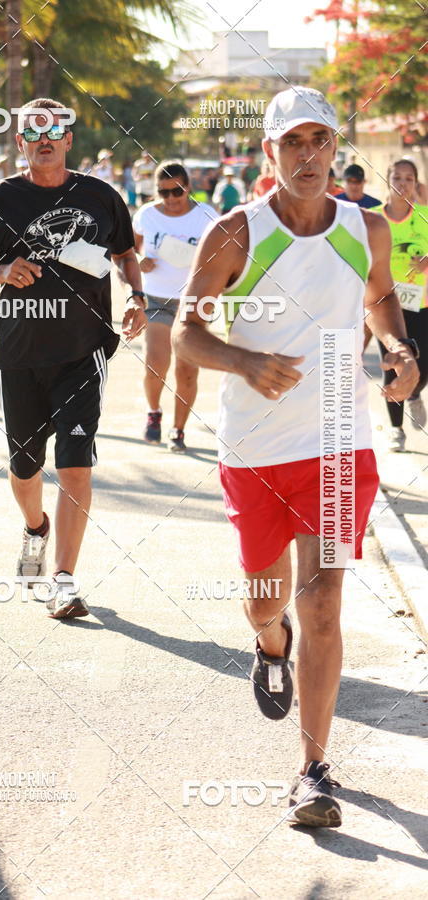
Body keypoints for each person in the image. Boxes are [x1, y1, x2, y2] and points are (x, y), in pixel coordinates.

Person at [172, 86, 419, 828]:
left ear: (335, 147)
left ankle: (313, 770)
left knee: (325, 601)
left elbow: (380, 299)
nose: (309, 156)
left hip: (339, 446)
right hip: (255, 450)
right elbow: (186, 328)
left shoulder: (364, 228)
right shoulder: (235, 232)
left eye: (321, 141)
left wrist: (399, 345)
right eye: (293, 143)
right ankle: (266, 642)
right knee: (267, 601)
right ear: (271, 152)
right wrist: (243, 364)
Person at [0, 98, 147, 619]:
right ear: (20, 142)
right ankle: (35, 527)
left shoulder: (100, 196)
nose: (45, 138)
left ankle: (64, 579)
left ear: (68, 139)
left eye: (55, 130)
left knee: (75, 463)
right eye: (33, 130)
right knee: (25, 468)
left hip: (83, 352)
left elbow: (126, 254)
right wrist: (2, 273)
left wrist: (136, 297)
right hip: (19, 355)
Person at [133, 161, 218, 451]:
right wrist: (138, 260)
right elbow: (128, 250)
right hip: (157, 298)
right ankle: (154, 412)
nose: (170, 199)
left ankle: (178, 430)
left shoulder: (207, 216)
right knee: (156, 363)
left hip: (193, 301)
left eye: (177, 191)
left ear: (188, 188)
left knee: (187, 370)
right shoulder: (147, 215)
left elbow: (225, 253)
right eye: (163, 192)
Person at [376, 158, 428, 451]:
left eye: (409, 178)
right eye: (397, 177)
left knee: (424, 366)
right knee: (392, 365)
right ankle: (396, 430)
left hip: (421, 305)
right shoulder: (372, 219)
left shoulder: (425, 217)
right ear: (388, 180)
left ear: (415, 183)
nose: (403, 183)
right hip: (385, 306)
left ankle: (414, 392)